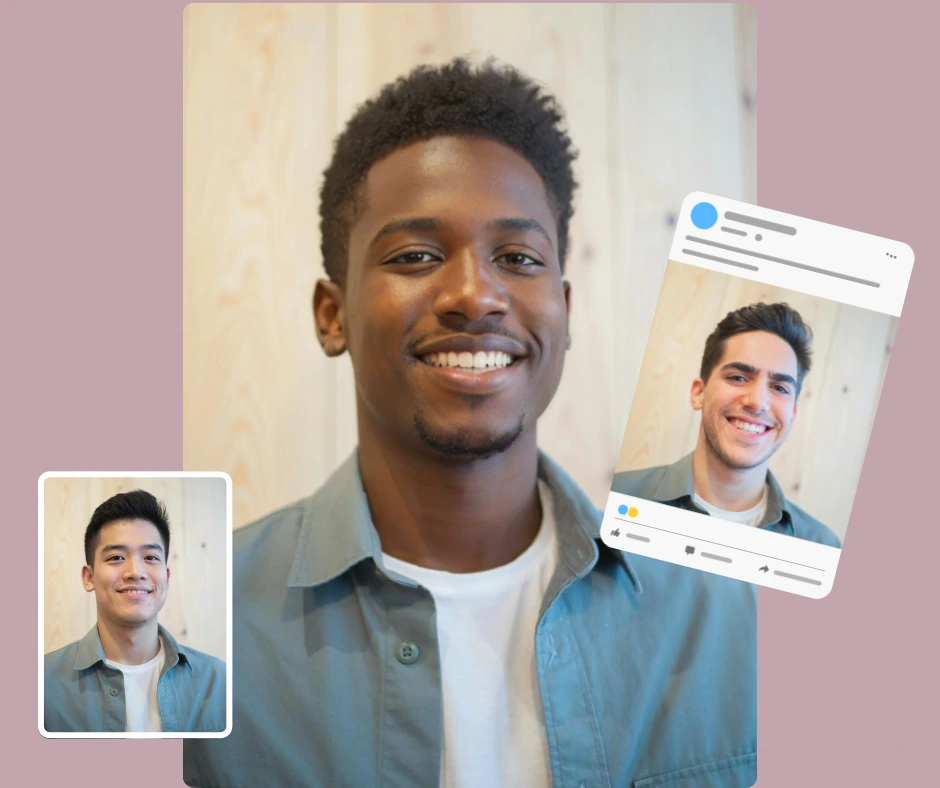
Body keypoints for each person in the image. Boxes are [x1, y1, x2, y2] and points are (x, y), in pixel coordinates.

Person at [184, 59, 756, 787]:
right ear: (333, 315)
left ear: (565, 310)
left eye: (517, 257)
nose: (474, 294)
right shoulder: (197, 629)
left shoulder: (722, 618)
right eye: (416, 256)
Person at [612, 302, 842, 547]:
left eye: (779, 388)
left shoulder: (822, 546)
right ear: (699, 393)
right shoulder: (615, 498)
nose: (757, 402)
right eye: (738, 377)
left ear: (792, 415)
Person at [43, 489, 226, 733]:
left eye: (150, 557)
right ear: (89, 577)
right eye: (116, 557)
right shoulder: (42, 684)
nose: (135, 572)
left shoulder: (217, 682)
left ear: (166, 577)